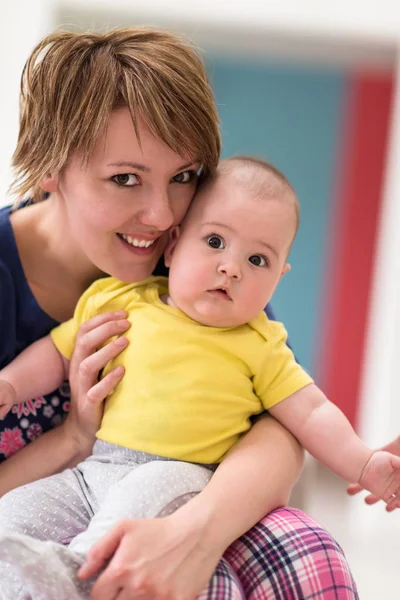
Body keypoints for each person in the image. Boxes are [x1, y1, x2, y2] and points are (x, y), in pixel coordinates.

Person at [0, 28, 359, 600]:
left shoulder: (208, 264)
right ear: (51, 164)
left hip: (173, 498)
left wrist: (196, 534)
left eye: (183, 177)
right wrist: (72, 438)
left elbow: (280, 423)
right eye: (125, 179)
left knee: (301, 547)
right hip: (40, 510)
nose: (162, 214)